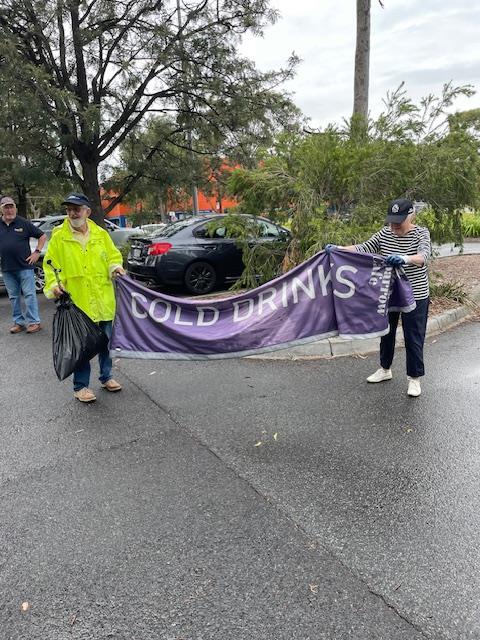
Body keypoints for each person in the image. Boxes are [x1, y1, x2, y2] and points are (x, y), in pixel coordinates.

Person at [326, 198, 431, 397]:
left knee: (413, 336)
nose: (394, 225)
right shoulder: (385, 233)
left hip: (415, 294)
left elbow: (423, 257)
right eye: (392, 220)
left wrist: (404, 258)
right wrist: (338, 249)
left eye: (399, 221)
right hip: (389, 293)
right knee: (386, 332)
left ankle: (414, 378)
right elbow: (363, 247)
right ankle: (385, 369)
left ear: (411, 216)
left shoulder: (420, 233)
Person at [43, 193, 126, 403]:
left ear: (87, 211)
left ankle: (106, 376)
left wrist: (115, 267)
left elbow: (113, 256)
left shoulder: (100, 234)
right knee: (81, 346)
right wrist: (54, 286)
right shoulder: (59, 236)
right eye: (69, 209)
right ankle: (81, 387)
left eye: (77, 209)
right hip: (79, 302)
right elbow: (50, 266)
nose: (72, 213)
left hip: (102, 299)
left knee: (106, 343)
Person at [0, 195, 46, 334]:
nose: (9, 210)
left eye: (11, 207)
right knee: (13, 297)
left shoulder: (23, 223)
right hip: (7, 268)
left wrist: (37, 252)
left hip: (24, 266)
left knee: (29, 295)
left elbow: (42, 236)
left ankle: (34, 322)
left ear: (15, 208)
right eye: (6, 207)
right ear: (1, 209)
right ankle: (18, 323)